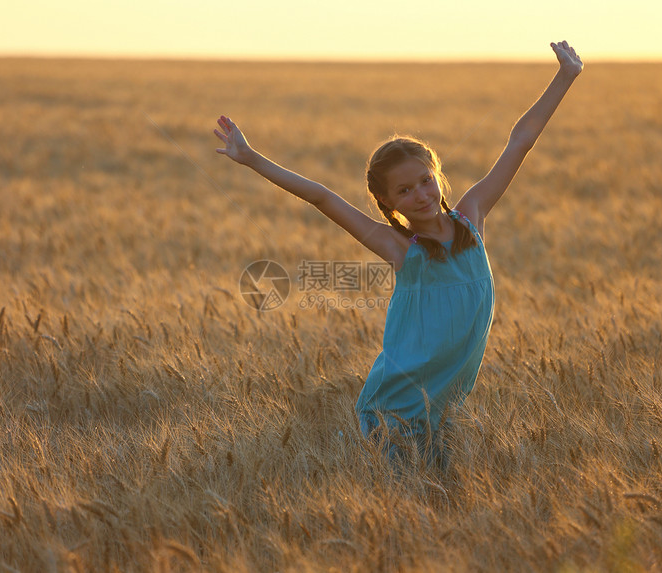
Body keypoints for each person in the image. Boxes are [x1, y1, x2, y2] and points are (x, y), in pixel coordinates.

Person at [214, 41, 583, 466]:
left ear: (438, 177)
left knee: (444, 503)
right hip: (397, 410)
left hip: (449, 408)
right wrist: (251, 158)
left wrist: (565, 76)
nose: (421, 195)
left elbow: (520, 141)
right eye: (404, 191)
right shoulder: (398, 248)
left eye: (426, 181)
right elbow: (322, 197)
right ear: (388, 204)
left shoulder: (472, 218)